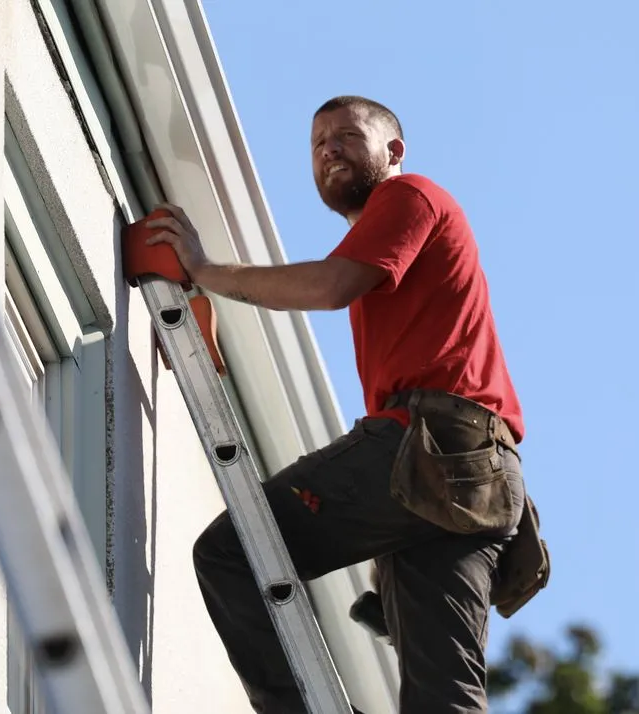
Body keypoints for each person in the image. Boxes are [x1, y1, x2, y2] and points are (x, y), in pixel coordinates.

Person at [144, 95, 534, 714]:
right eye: (318, 141)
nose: (329, 149)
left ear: (394, 152)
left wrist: (207, 271)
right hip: (475, 487)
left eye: (348, 136)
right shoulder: (397, 240)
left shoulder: (410, 198)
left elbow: (330, 285)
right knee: (446, 702)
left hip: (434, 448)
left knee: (230, 554)